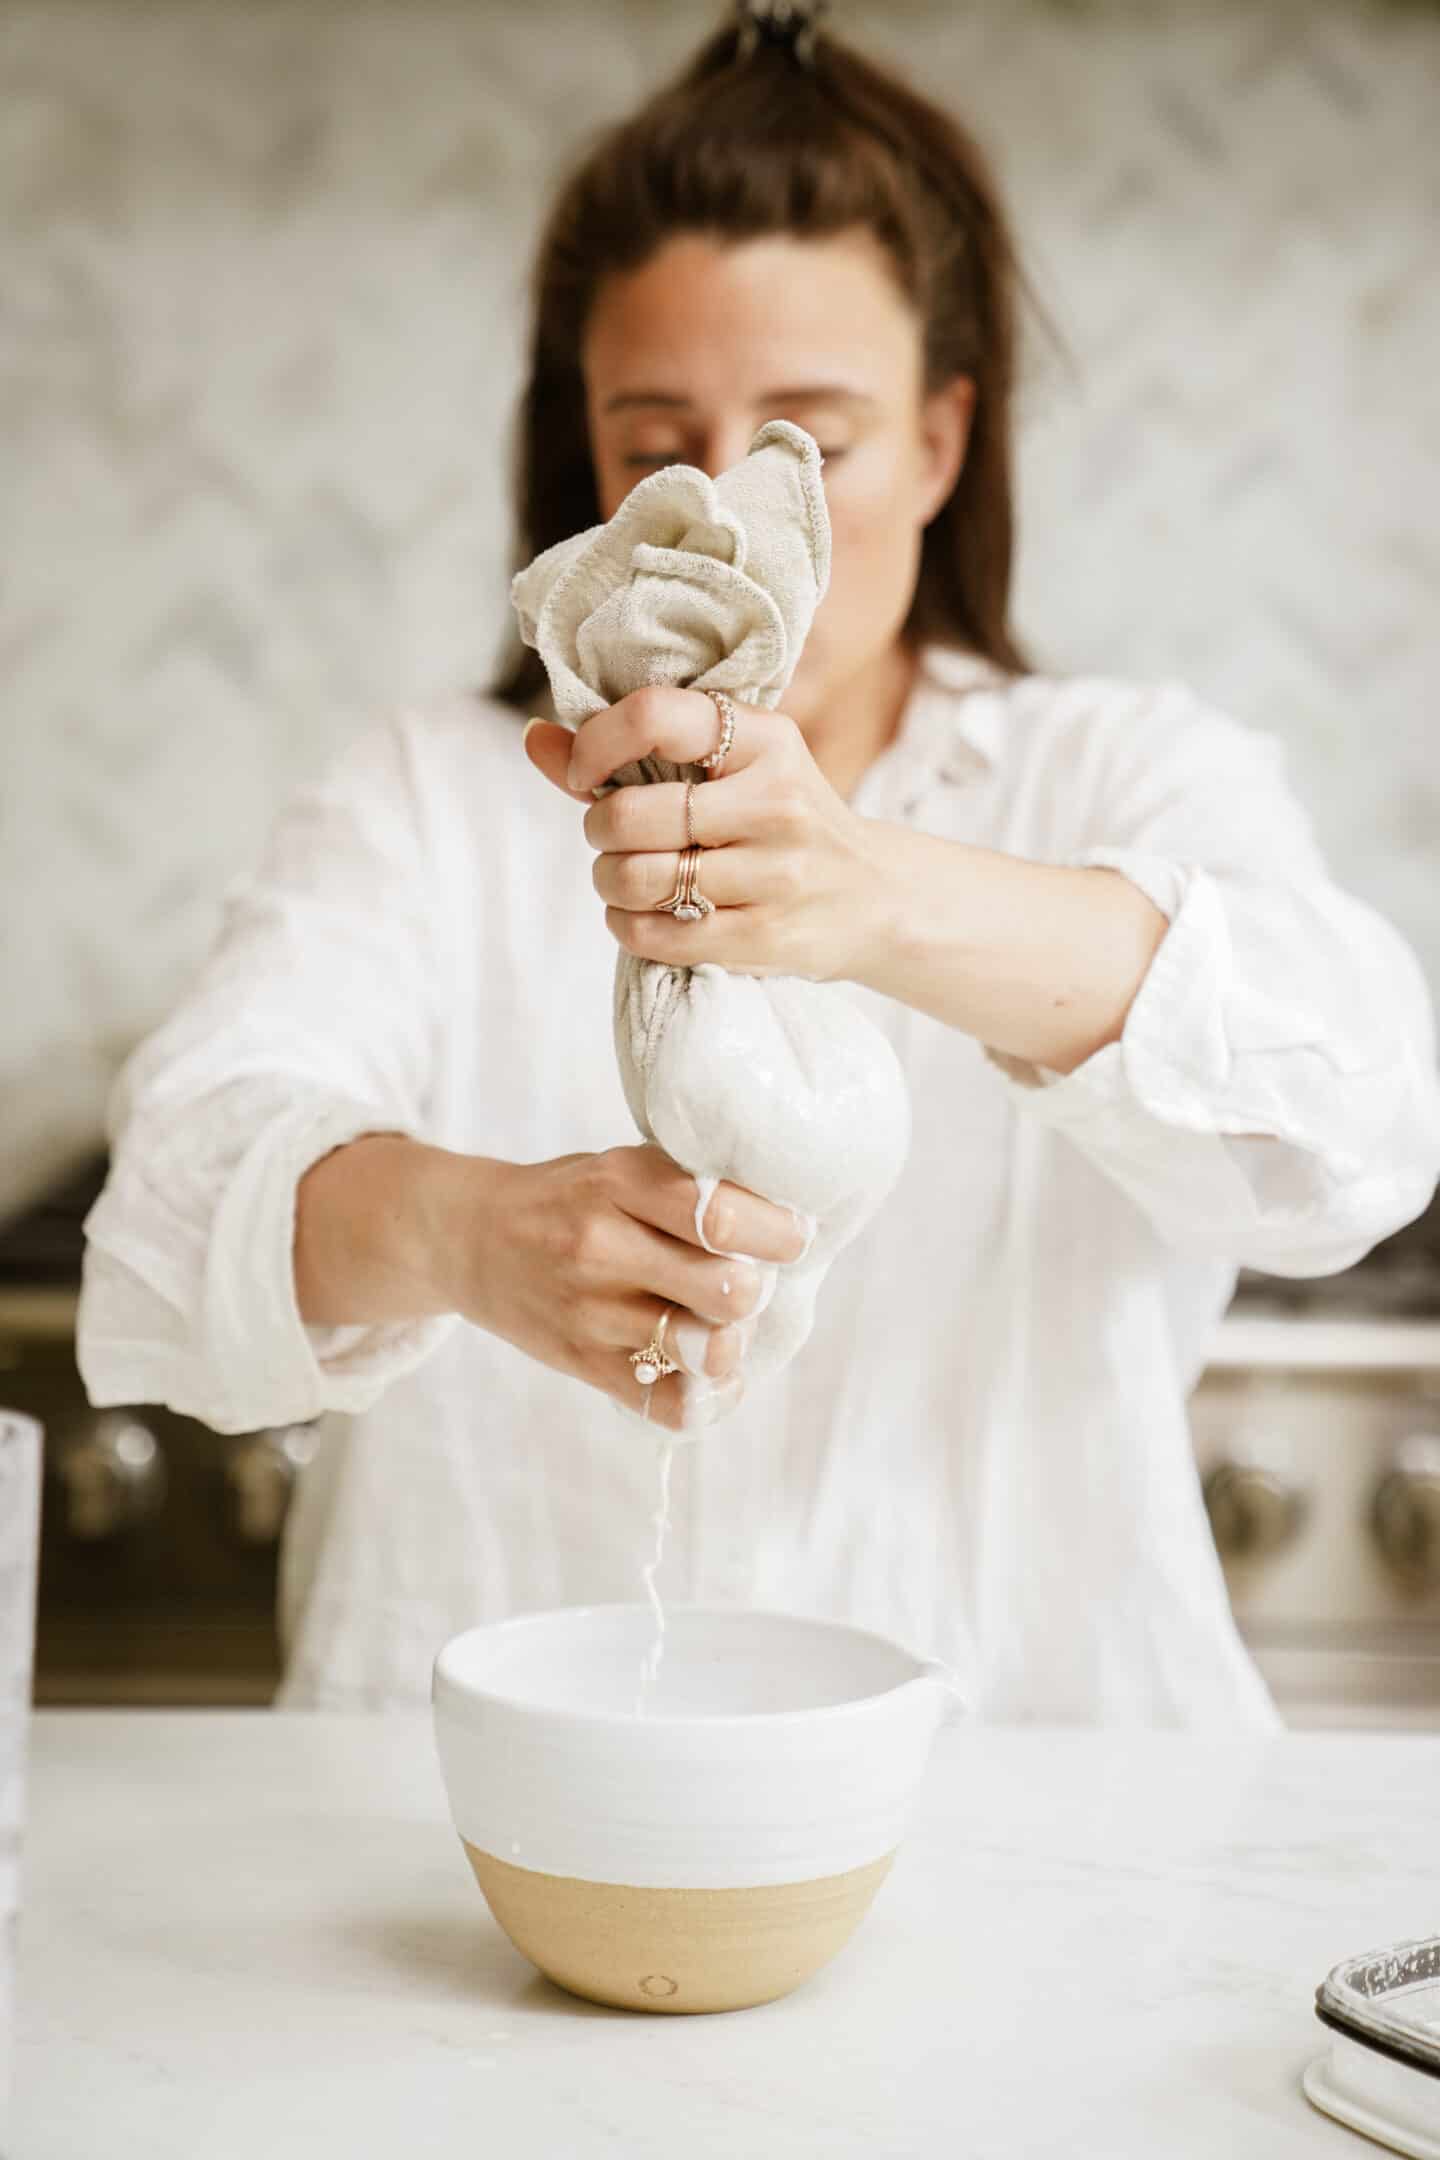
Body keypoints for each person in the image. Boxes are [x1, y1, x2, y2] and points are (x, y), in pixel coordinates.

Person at [78, 4, 1440, 1723]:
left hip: (1037, 1828)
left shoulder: (1120, 770)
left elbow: (1370, 1122)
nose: (719, 513)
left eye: (808, 442)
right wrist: (463, 1233)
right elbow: (165, 1220)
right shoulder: (424, 801)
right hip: (476, 1849)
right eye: (656, 439)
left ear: (942, 442)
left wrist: (876, 891)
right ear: (584, 459)